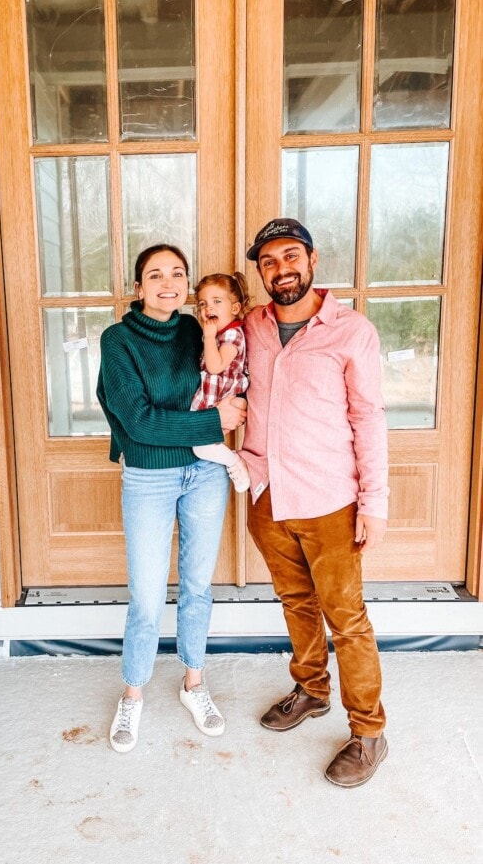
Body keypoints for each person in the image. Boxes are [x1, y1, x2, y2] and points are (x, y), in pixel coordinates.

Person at [240, 218, 390, 788]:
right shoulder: (248, 326)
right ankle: (311, 690)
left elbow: (368, 418)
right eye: (270, 261)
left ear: (312, 260)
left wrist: (374, 502)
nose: (282, 269)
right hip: (267, 494)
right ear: (260, 272)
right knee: (295, 602)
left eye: (291, 256)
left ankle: (369, 732)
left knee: (346, 619)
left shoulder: (351, 331)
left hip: (331, 500)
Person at [96, 244, 247, 754]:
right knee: (144, 594)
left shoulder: (197, 329)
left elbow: (226, 380)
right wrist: (212, 422)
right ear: (139, 287)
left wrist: (235, 409)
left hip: (206, 472)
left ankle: (193, 685)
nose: (168, 282)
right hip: (149, 478)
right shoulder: (118, 341)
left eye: (177, 273)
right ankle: (133, 693)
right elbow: (137, 422)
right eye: (155, 275)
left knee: (198, 586)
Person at [190, 273, 252, 493]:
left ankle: (235, 462)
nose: (209, 308)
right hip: (212, 401)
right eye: (203, 304)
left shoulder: (231, 335)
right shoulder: (219, 334)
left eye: (217, 301)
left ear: (234, 309)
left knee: (201, 448)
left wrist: (208, 337)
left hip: (222, 400)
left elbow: (215, 367)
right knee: (203, 444)